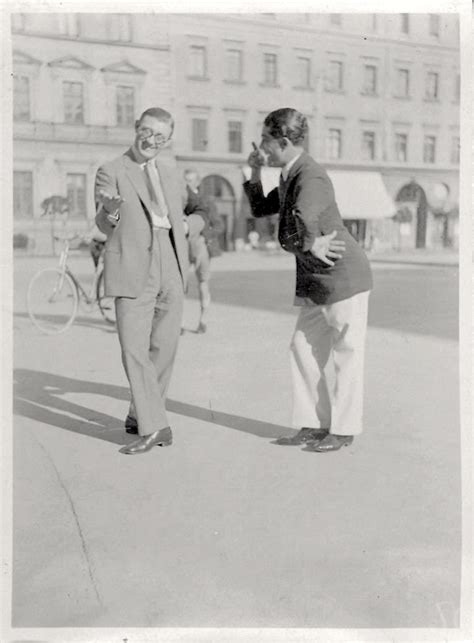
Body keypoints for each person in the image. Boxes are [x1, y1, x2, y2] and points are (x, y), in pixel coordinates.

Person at [244, 108, 373, 452]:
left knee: (347, 354)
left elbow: (299, 222)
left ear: (283, 142)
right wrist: (257, 168)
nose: (263, 148)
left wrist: (308, 239)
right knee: (302, 347)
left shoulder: (310, 175)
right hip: (320, 278)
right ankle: (314, 424)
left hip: (342, 276)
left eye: (266, 143)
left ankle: (343, 431)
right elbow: (261, 208)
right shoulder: (290, 173)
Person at [95, 107, 204, 455]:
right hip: (131, 264)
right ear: (135, 128)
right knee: (133, 348)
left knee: (164, 346)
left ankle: (138, 413)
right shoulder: (111, 170)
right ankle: (157, 426)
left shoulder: (172, 174)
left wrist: (189, 227)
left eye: (159, 136)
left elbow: (203, 211)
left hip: (171, 261)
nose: (150, 140)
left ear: (167, 140)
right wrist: (110, 210)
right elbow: (103, 221)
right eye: (146, 131)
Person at [183, 169, 224, 333]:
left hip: (201, 244)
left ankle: (203, 320)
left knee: (203, 282)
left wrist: (206, 236)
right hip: (183, 243)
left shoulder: (207, 201)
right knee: (180, 283)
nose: (187, 183)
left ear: (198, 181)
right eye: (185, 180)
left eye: (190, 180)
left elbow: (219, 225)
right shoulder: (180, 199)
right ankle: (180, 321)